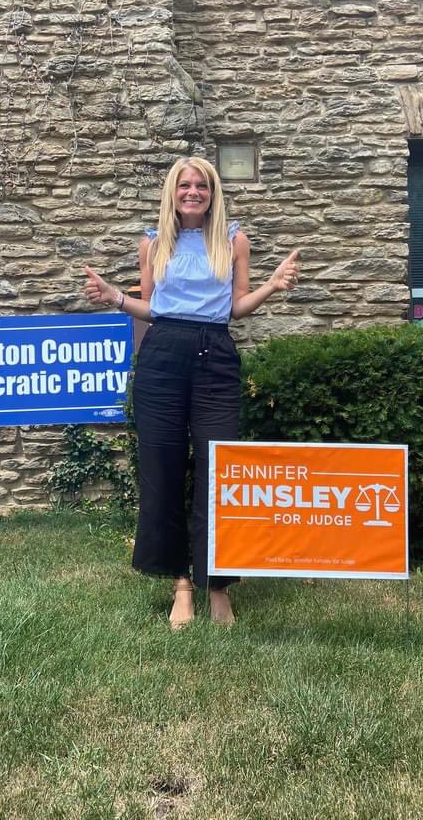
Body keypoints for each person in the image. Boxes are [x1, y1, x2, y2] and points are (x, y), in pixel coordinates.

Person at [84, 156, 300, 629]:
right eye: (185, 185)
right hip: (162, 355)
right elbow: (150, 304)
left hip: (215, 355)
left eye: (201, 184)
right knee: (161, 466)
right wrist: (114, 298)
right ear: (173, 191)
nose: (193, 191)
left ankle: (218, 584)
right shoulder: (154, 243)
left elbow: (236, 306)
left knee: (218, 468)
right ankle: (181, 582)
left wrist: (272, 285)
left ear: (212, 191)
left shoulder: (232, 240)